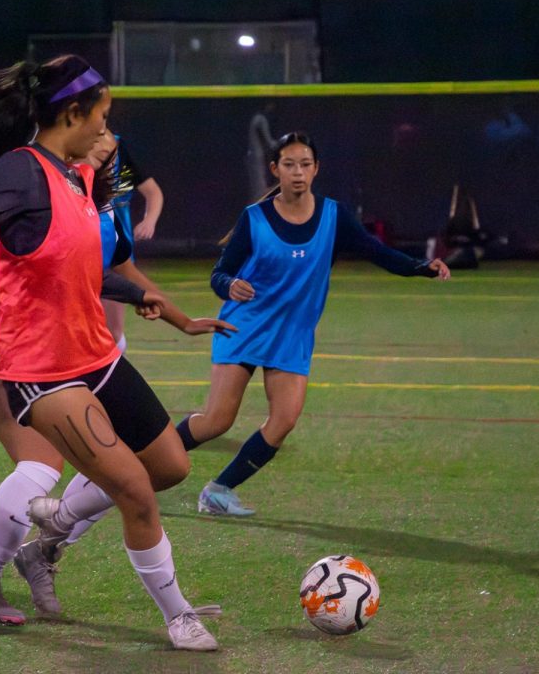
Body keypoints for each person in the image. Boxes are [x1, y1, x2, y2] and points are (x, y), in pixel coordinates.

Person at [0, 54, 231, 651]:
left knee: (170, 467)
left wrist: (173, 316)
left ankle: (57, 522)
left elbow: (86, 271)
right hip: (44, 374)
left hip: (96, 357)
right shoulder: (23, 171)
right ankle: (178, 616)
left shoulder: (77, 176)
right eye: (103, 116)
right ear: (73, 113)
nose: (107, 130)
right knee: (134, 493)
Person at [175, 131, 451, 516]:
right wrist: (229, 285)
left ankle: (219, 490)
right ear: (276, 169)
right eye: (289, 165)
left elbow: (377, 252)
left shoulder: (334, 216)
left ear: (316, 169)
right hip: (245, 328)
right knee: (217, 421)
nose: (298, 172)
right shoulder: (254, 219)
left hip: (292, 336)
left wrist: (421, 267)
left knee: (284, 420)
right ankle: (141, 461)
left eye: (305, 164)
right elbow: (219, 274)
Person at [100, 135, 164, 350]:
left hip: (115, 259)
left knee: (112, 331)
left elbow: (152, 192)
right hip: (81, 260)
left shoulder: (119, 159)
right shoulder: (67, 163)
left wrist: (149, 221)